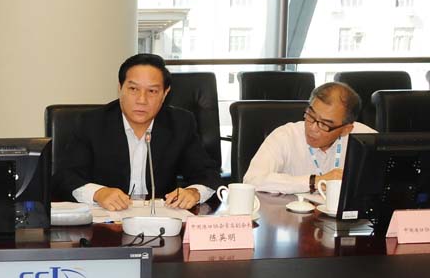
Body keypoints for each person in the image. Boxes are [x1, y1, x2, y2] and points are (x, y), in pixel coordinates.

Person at [53, 53, 221, 211]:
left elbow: (207, 172)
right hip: (108, 221)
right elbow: (65, 176)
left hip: (161, 219)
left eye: (152, 91)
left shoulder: (180, 123)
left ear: (165, 93)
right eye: (133, 89)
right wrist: (98, 193)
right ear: (120, 88)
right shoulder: (91, 123)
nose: (142, 100)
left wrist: (193, 192)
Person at [243, 82, 376, 194]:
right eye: (310, 116)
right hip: (291, 215)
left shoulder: (366, 139)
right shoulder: (286, 136)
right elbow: (252, 180)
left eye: (324, 124)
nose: (313, 128)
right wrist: (314, 181)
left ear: (346, 129)